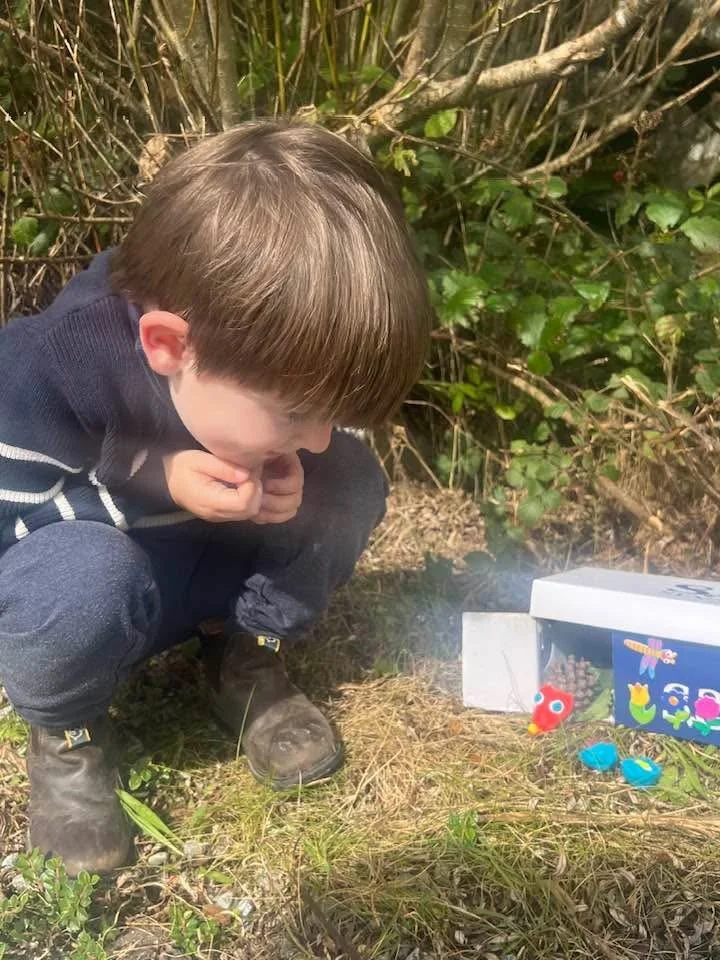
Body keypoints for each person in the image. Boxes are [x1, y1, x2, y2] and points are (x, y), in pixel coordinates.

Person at [0, 121, 432, 876]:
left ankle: (247, 657)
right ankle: (66, 737)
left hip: (209, 575)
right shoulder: (45, 373)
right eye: (297, 411)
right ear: (170, 345)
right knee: (81, 576)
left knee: (349, 477)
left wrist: (285, 483)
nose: (318, 436)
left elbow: (311, 449)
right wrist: (153, 483)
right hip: (101, 596)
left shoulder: (240, 367)